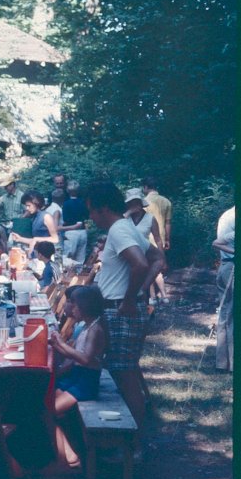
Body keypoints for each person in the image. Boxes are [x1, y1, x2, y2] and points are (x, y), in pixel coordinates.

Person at [86, 182, 165, 427]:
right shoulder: (125, 227)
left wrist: (131, 299)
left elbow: (141, 264)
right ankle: (130, 437)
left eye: (91, 210)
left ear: (103, 208)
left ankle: (134, 442)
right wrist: (142, 291)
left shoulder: (119, 231)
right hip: (121, 307)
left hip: (121, 309)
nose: (90, 216)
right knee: (124, 372)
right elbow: (158, 258)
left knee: (125, 374)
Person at [48, 285, 108, 470]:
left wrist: (61, 345)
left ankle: (67, 458)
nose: (71, 308)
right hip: (77, 376)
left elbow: (85, 358)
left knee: (47, 412)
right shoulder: (87, 326)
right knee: (46, 397)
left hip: (86, 381)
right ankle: (69, 449)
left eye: (74, 305)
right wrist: (56, 345)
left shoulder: (95, 329)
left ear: (85, 307)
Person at [124, 188, 168, 305]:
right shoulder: (125, 218)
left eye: (136, 202)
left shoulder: (150, 218)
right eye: (131, 203)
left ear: (140, 203)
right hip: (126, 257)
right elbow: (115, 228)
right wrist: (128, 213)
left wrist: (162, 258)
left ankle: (144, 310)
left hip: (144, 255)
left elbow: (158, 240)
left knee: (143, 286)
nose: (134, 205)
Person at [142, 177, 172, 304]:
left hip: (147, 238)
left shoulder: (144, 202)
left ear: (145, 187)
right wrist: (167, 239)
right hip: (161, 237)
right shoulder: (166, 202)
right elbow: (168, 223)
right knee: (159, 266)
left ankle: (153, 297)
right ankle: (164, 296)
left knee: (149, 268)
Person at [213, 206, 234, 372]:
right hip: (232, 266)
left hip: (225, 266)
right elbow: (218, 242)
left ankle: (222, 363)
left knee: (225, 314)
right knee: (231, 315)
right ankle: (231, 363)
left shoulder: (226, 214)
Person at [60, 180, 89, 265]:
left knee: (68, 258)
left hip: (71, 231)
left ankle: (67, 276)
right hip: (82, 231)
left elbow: (65, 218)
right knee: (80, 259)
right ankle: (79, 276)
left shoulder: (66, 204)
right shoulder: (83, 202)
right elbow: (87, 216)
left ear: (68, 191)